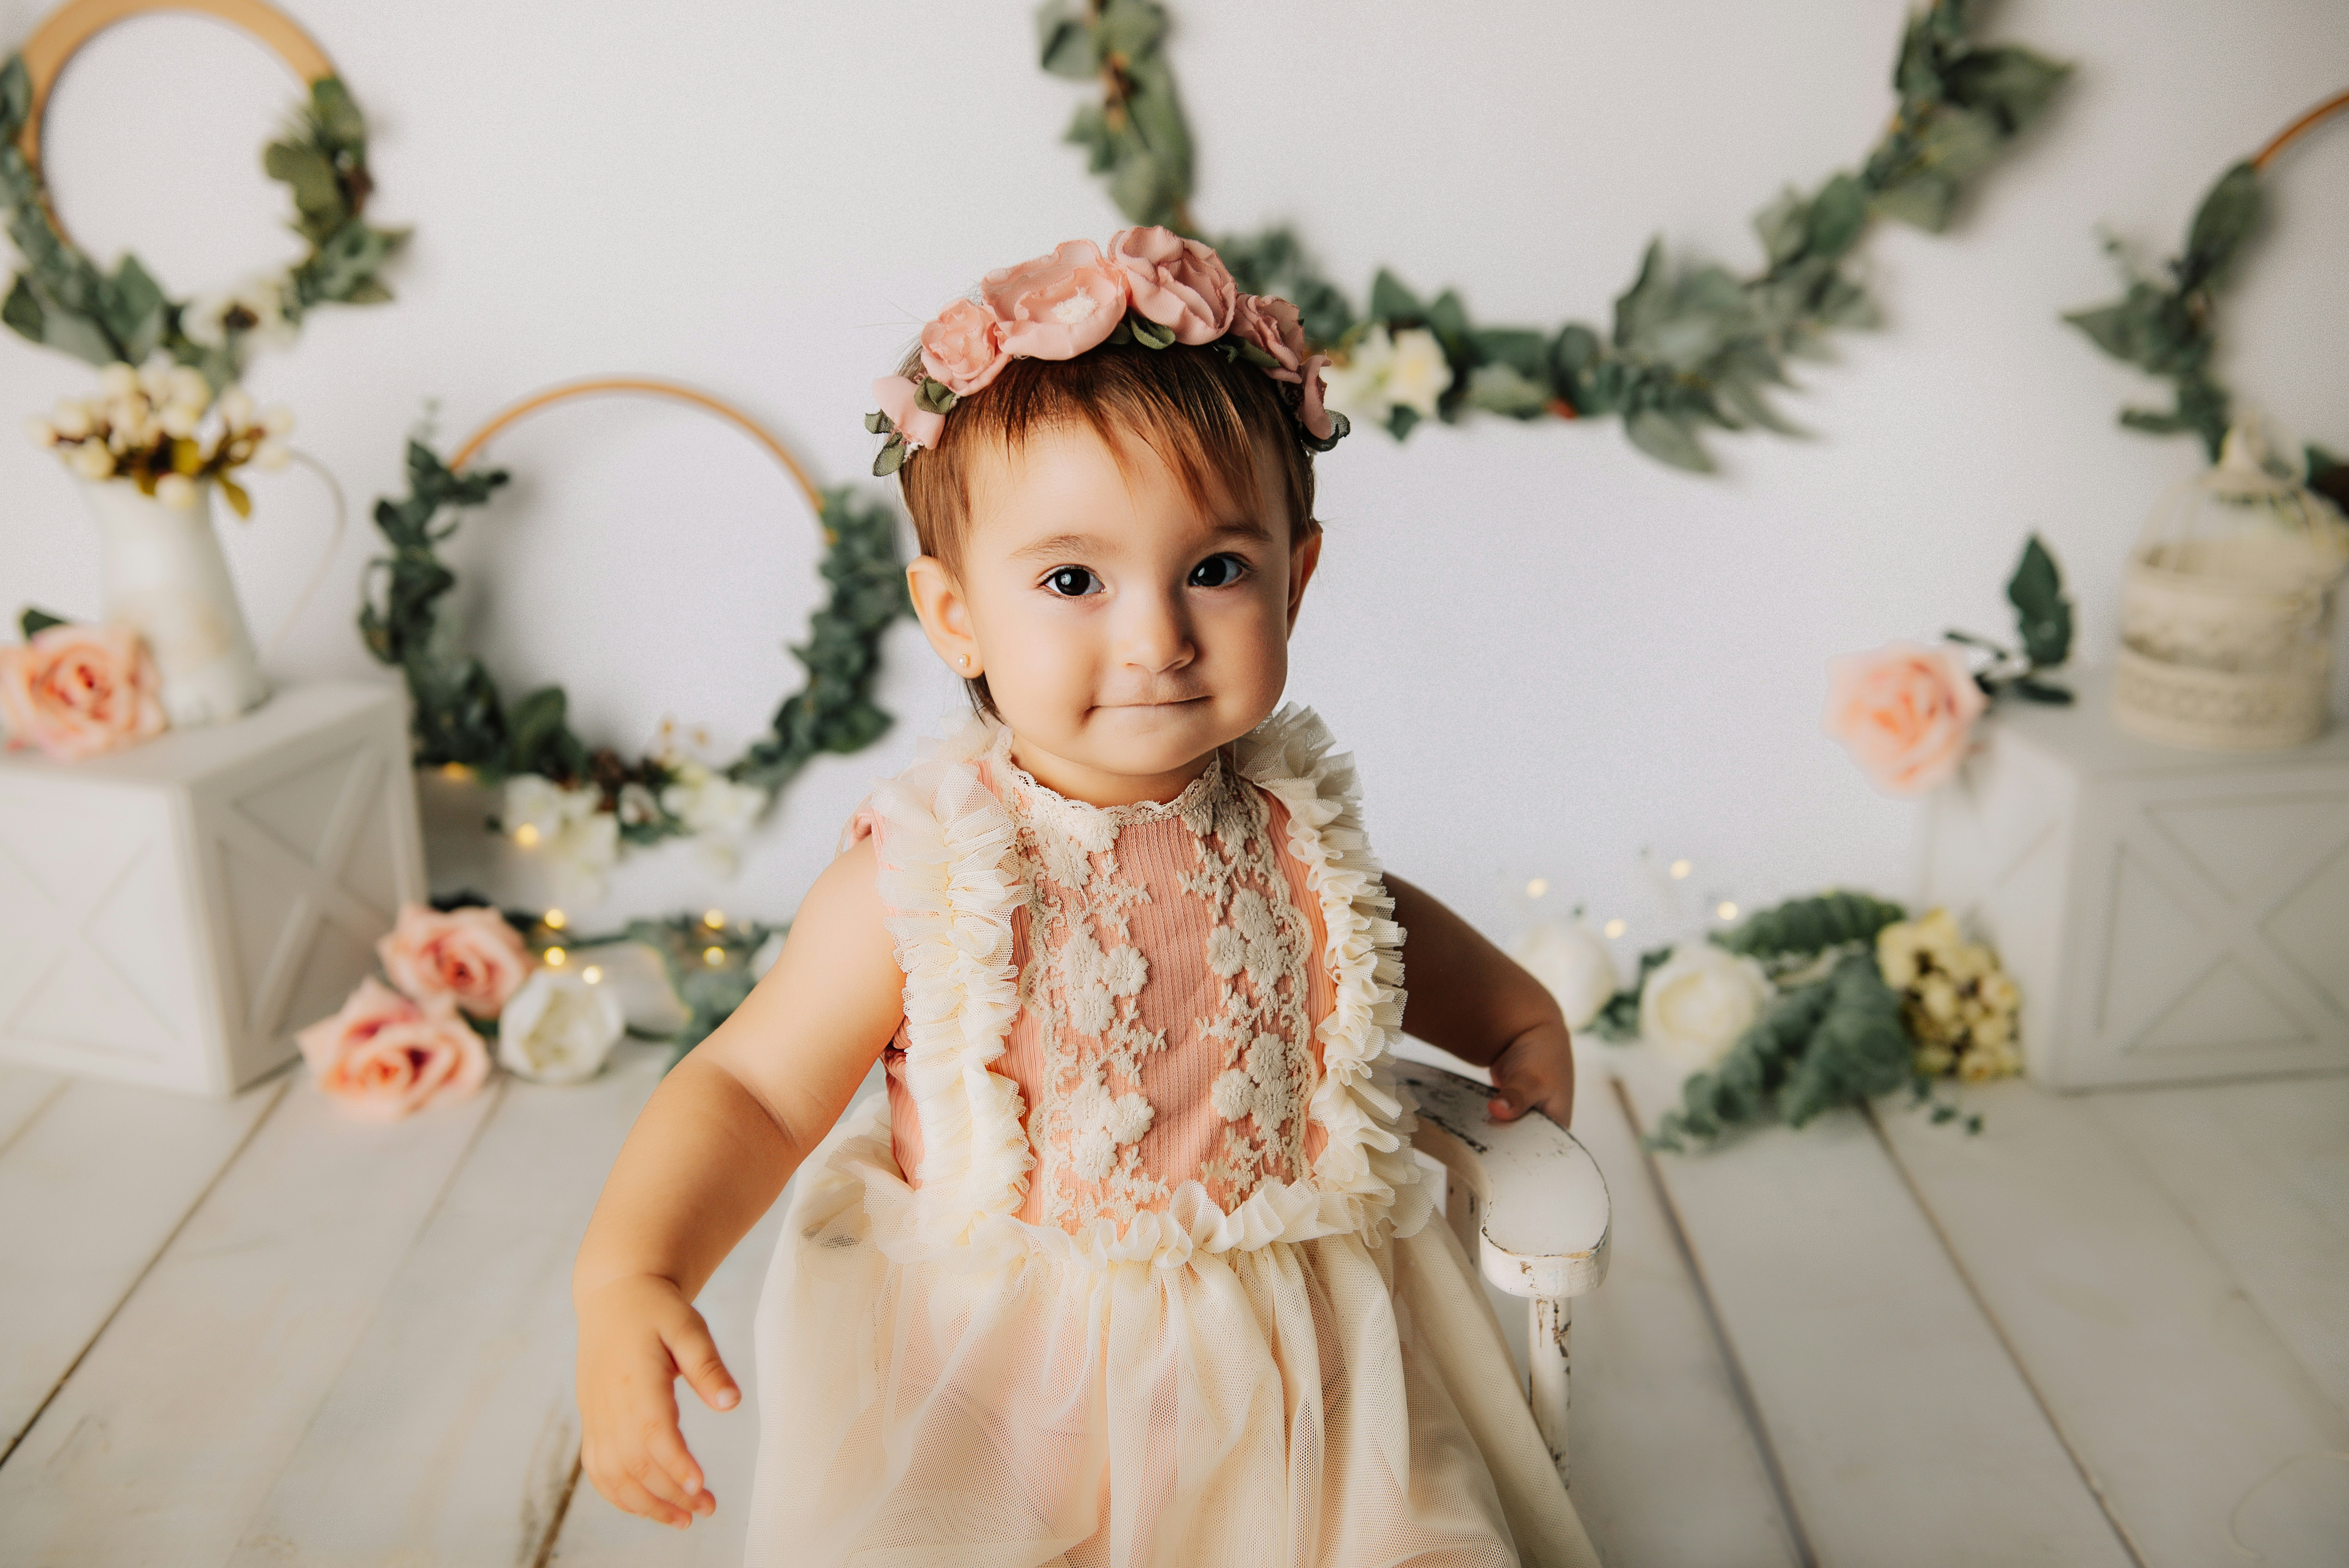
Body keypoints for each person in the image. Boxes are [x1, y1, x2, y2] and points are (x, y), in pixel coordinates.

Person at [571, 227, 1600, 1567]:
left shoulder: (1293, 824)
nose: (1157, 637)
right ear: (954, 617)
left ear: (1297, 574)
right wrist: (630, 1273)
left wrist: (1521, 1023)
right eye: (1073, 581)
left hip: (1307, 1374)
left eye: (1216, 570)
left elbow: (1376, 935)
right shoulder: (933, 874)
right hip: (1017, 1397)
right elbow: (755, 1093)